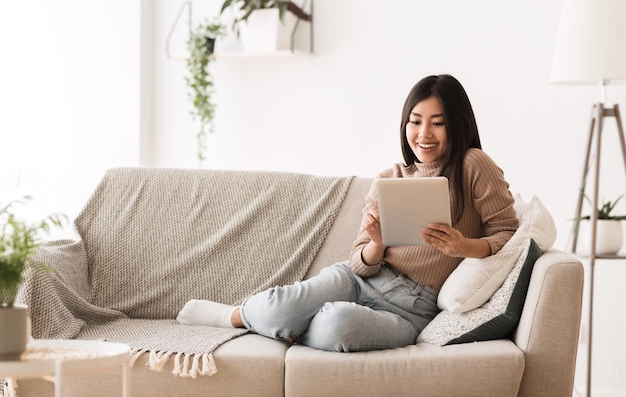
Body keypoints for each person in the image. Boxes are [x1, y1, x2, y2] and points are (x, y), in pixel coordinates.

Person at [177, 74, 519, 352]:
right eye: (415, 122)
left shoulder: (474, 165)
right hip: (359, 279)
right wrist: (378, 244)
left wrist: (464, 248)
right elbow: (358, 261)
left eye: (437, 123)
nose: (423, 134)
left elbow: (509, 233)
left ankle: (285, 326)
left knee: (334, 327)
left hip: (412, 307)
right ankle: (234, 316)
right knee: (279, 307)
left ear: (457, 125)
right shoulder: (388, 180)